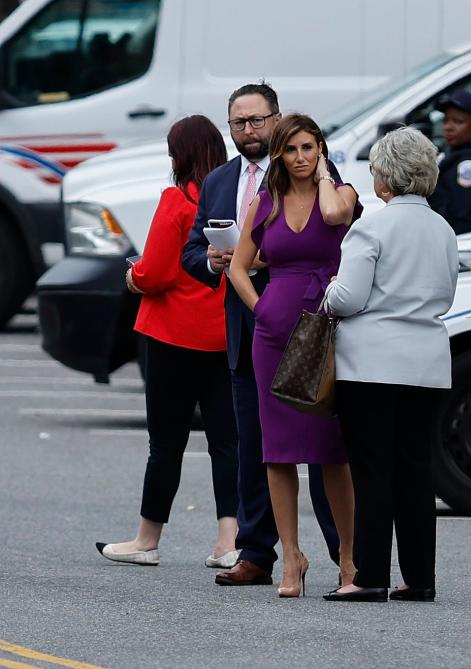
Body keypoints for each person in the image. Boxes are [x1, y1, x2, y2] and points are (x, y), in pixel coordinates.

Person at [181, 83, 341, 587]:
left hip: (310, 323)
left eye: (257, 120)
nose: (248, 131)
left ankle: (346, 554)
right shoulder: (219, 182)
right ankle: (257, 552)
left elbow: (340, 229)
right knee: (256, 442)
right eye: (238, 123)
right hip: (251, 329)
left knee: (321, 441)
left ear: (276, 119)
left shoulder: (312, 170)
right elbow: (191, 252)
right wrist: (212, 260)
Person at [323, 127, 458, 603]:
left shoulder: (372, 226)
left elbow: (348, 297)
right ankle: (419, 578)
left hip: (372, 364)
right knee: (416, 473)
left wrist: (329, 289)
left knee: (372, 473)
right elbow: (446, 293)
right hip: (427, 363)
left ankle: (369, 575)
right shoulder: (443, 228)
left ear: (386, 178)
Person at [96, 115, 238, 568]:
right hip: (222, 336)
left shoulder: (176, 201)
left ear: (181, 155)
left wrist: (132, 277)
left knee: (166, 443)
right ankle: (227, 541)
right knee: (226, 442)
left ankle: (147, 540)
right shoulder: (235, 201)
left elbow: (154, 271)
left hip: (172, 336)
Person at [228, 114, 360, 597]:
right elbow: (239, 268)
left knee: (331, 451)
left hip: (325, 332)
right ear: (279, 156)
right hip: (273, 332)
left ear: (321, 149)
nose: (300, 157)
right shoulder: (265, 203)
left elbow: (331, 217)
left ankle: (348, 559)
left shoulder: (342, 195)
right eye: (292, 150)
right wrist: (261, 308)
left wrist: (326, 175)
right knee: (277, 452)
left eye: (309, 148)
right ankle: (291, 559)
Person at [427, 89, 471, 235]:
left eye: (458, 121)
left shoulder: (469, 163)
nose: (448, 127)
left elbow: (463, 217)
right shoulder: (453, 156)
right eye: (446, 120)